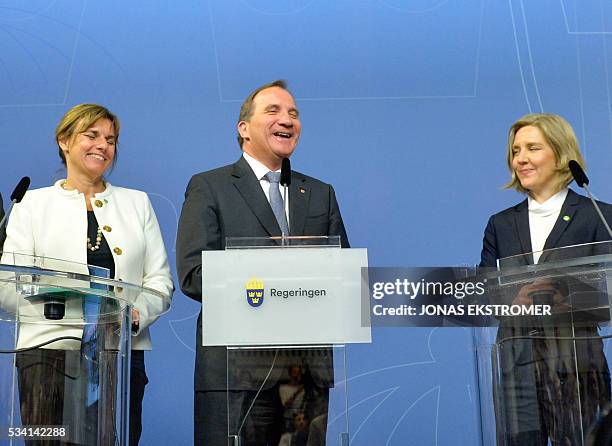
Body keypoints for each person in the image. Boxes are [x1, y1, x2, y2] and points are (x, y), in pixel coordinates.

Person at [176, 80, 349, 446]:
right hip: (235, 375)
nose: (287, 119)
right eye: (273, 111)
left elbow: (344, 278)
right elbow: (194, 275)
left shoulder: (321, 193)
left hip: (305, 376)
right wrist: (272, 282)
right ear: (243, 129)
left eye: (294, 113)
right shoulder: (210, 186)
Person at [1, 104, 173, 445]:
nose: (103, 145)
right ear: (64, 141)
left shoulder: (137, 203)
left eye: (110, 139)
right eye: (91, 135)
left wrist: (136, 313)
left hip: (118, 353)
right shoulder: (31, 205)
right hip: (47, 355)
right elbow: (9, 286)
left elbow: (160, 281)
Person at [480, 113, 612, 445]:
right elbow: (483, 293)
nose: (520, 158)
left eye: (532, 148)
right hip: (518, 368)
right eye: (515, 150)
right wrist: (513, 301)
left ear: (560, 154)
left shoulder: (599, 217)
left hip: (577, 367)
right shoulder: (501, 224)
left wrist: (569, 298)